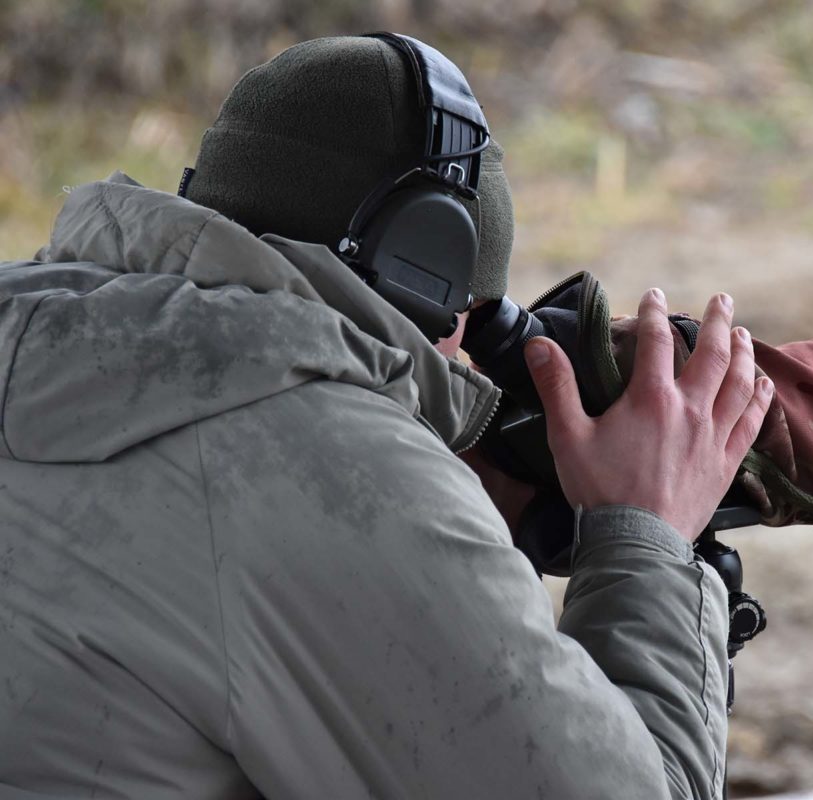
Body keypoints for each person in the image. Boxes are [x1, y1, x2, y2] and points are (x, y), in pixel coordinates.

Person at [0, 35, 773, 799]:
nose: (469, 360)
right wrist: (647, 535)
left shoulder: (41, 343)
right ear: (419, 267)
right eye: (473, 315)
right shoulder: (325, 462)